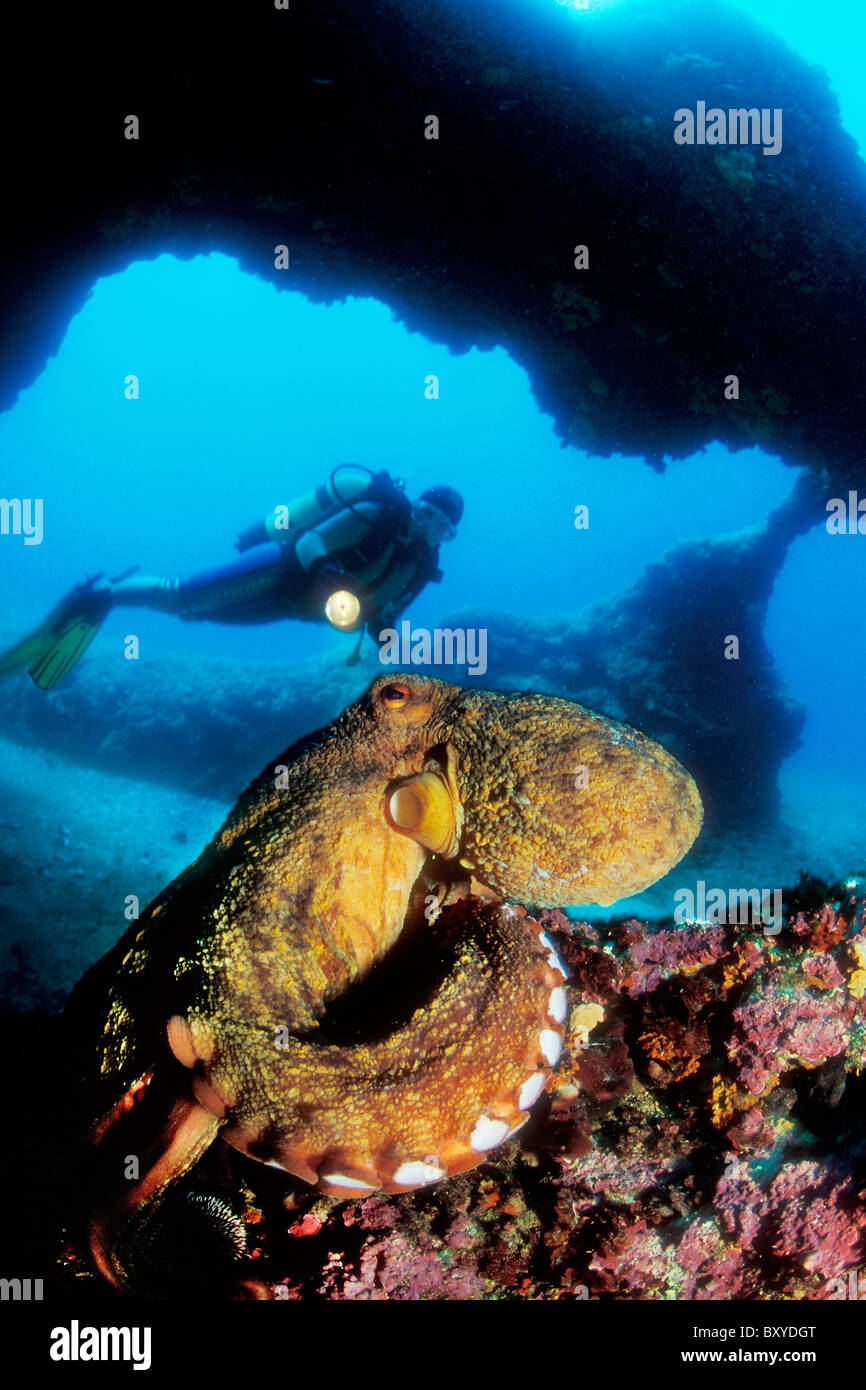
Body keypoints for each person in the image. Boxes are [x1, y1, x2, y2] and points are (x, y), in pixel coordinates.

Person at [0, 466, 464, 688]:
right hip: (277, 572)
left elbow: (384, 610)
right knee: (181, 598)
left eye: (441, 527)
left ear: (449, 535)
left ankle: (111, 594)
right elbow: (308, 543)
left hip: (291, 608)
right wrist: (325, 573)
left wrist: (383, 627)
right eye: (425, 514)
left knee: (194, 615)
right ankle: (102, 594)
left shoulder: (422, 567)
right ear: (415, 506)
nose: (427, 529)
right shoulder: (376, 514)